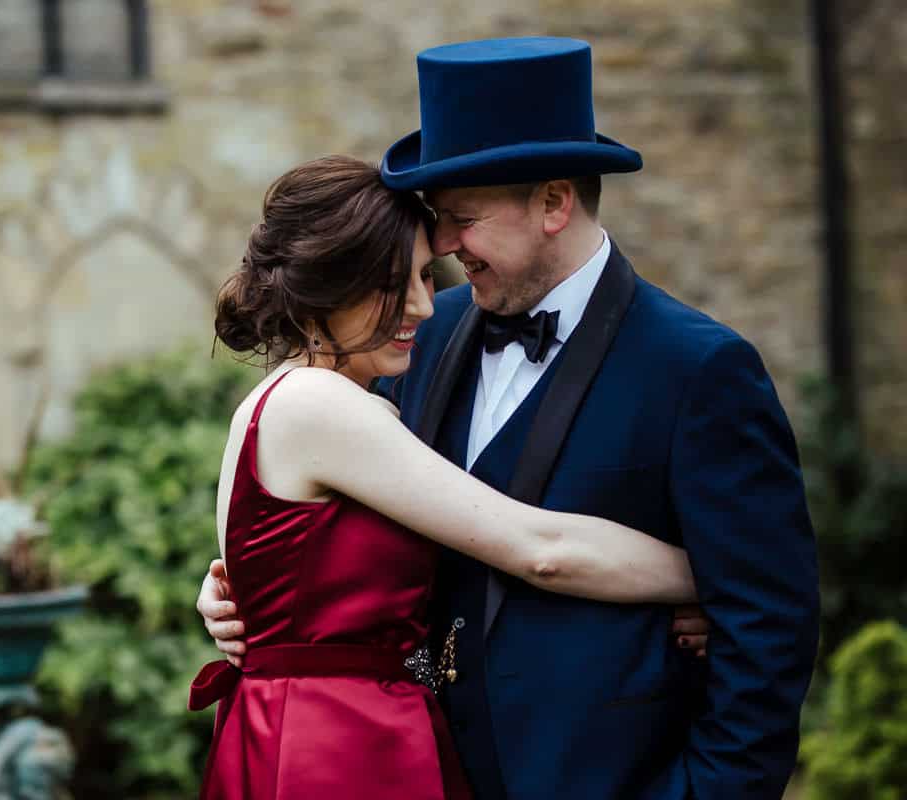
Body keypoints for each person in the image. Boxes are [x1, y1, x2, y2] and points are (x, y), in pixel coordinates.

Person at [199, 38, 819, 800]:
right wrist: (244, 594)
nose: (446, 249)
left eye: (462, 219)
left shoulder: (700, 370)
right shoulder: (409, 342)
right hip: (401, 763)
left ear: (555, 202)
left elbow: (769, 630)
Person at [191, 154, 711, 800]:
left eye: (425, 278)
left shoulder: (319, 402)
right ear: (330, 282)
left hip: (332, 728)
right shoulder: (317, 406)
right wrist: (704, 577)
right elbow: (536, 548)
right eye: (393, 283)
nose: (425, 307)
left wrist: (230, 594)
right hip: (333, 748)